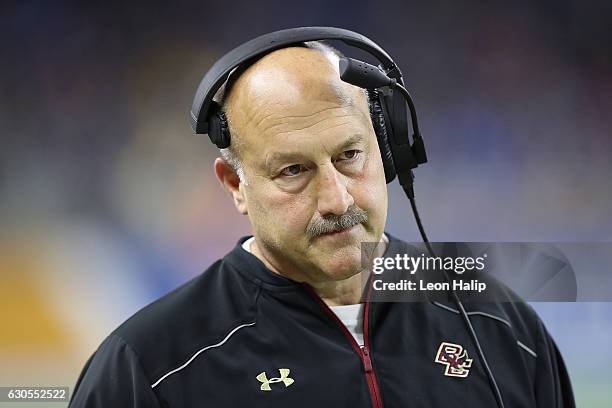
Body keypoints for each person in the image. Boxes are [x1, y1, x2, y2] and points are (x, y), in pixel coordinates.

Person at [69, 34, 575, 407]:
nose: (335, 199)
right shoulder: (146, 368)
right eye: (294, 170)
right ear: (234, 186)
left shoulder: (501, 325)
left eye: (351, 155)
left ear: (389, 151)